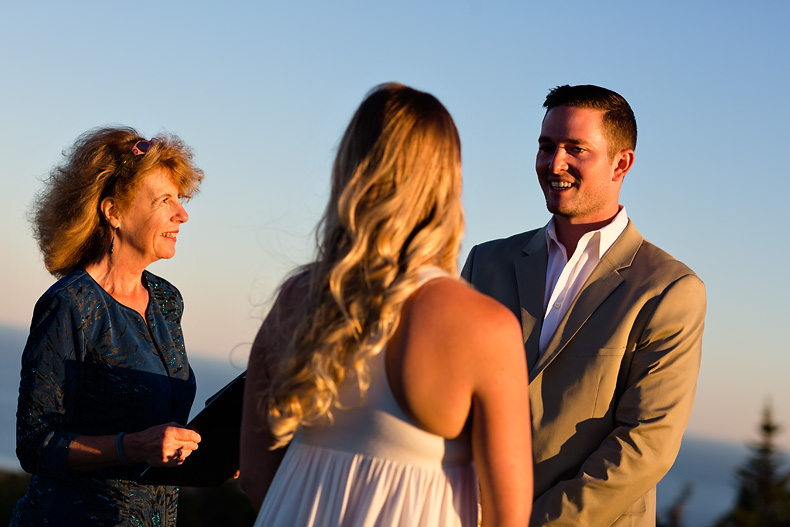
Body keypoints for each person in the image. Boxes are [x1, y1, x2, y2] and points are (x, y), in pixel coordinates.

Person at [239, 83, 533, 526]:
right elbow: (507, 519)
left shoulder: (295, 298)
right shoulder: (484, 327)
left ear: (350, 168)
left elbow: (255, 476)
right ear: (446, 180)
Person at [461, 84, 706, 527]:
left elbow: (646, 444)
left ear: (621, 163)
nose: (555, 163)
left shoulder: (670, 289)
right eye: (546, 146)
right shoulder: (486, 262)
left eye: (576, 148)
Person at [12, 126, 205, 526]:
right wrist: (133, 447)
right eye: (164, 200)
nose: (182, 214)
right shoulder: (69, 305)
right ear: (113, 211)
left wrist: (212, 454)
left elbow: (159, 435)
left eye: (180, 200)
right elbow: (36, 446)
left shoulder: (168, 301)